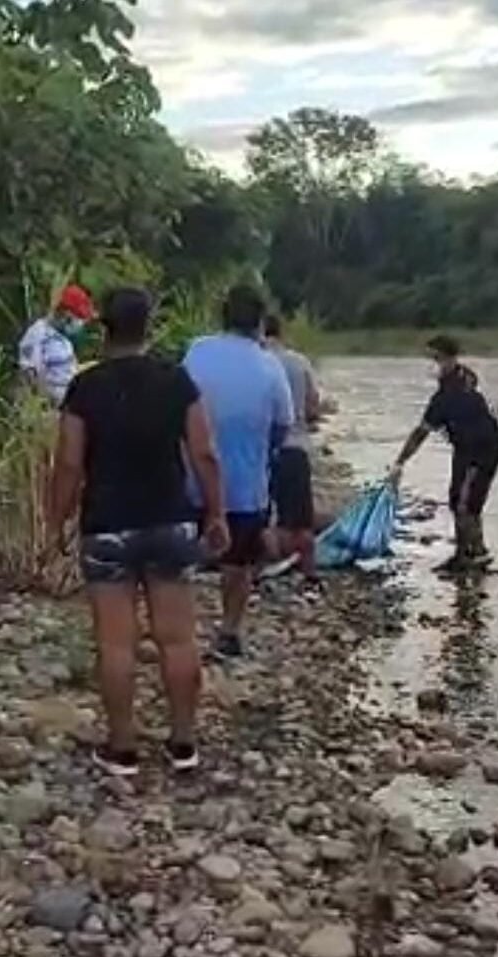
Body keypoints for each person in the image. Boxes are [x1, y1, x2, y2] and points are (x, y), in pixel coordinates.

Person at [48, 287, 229, 776]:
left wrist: (55, 524)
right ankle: (184, 742)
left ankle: (123, 747)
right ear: (150, 326)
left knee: (116, 643)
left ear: (103, 327)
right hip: (170, 518)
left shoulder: (86, 388)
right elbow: (204, 453)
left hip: (107, 523)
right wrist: (216, 514)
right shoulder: (177, 381)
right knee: (177, 638)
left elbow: (68, 463)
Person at [184, 286, 294, 658]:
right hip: (246, 486)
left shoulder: (197, 351)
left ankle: (177, 627)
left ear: (223, 317)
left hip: (193, 478)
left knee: (185, 553)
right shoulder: (270, 366)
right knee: (238, 562)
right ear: (261, 323)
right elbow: (283, 425)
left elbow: (179, 403)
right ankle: (229, 630)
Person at [389, 335, 498, 574]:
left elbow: (421, 432)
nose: (432, 364)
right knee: (461, 501)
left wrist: (400, 461)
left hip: (482, 451)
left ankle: (471, 556)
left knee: (464, 504)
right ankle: (471, 552)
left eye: (435, 358)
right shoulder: (462, 378)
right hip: (466, 449)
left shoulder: (448, 395)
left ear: (449, 358)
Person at [264, 314, 322, 583]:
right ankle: (307, 570)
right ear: (282, 333)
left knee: (264, 515)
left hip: (261, 450)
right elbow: (313, 408)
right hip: (295, 446)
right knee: (300, 518)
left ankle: (269, 564)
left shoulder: (257, 364)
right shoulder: (300, 363)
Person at [18, 285, 95, 405]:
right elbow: (31, 376)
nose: (80, 326)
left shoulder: (62, 339)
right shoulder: (38, 336)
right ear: (65, 315)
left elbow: (64, 371)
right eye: (78, 319)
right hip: (52, 407)